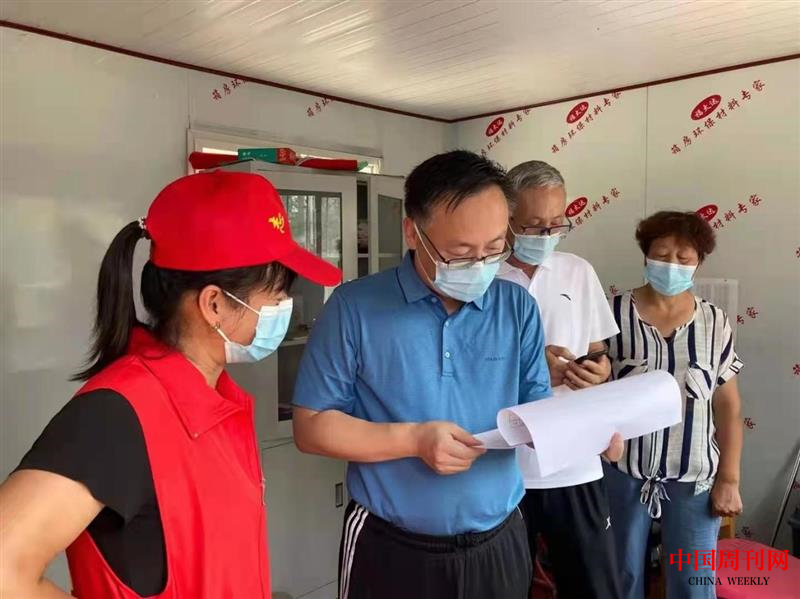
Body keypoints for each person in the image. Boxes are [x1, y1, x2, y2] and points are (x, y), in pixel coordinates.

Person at [0, 171, 341, 599]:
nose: (285, 307)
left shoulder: (218, 400)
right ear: (214, 304)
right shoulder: (117, 413)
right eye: (275, 294)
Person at [292, 150, 553, 599]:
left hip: (500, 539)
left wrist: (588, 429)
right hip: (392, 547)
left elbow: (538, 411)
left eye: (494, 249)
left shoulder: (517, 308)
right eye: (460, 253)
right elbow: (311, 426)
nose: (480, 265)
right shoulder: (354, 309)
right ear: (413, 232)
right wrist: (414, 440)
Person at [497, 160, 623, 598]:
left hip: (575, 460)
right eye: (534, 226)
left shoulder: (577, 271)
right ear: (507, 218)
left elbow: (598, 352)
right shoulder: (482, 277)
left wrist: (598, 371)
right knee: (506, 585)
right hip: (504, 465)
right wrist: (535, 373)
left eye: (557, 224)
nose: (546, 235)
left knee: (594, 584)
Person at [604, 210, 744, 599]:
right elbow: (590, 391)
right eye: (662, 255)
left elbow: (729, 407)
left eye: (684, 258)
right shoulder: (612, 313)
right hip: (623, 472)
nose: (671, 265)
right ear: (645, 256)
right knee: (621, 580)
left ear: (699, 262)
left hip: (694, 477)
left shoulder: (714, 322)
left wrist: (729, 479)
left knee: (693, 584)